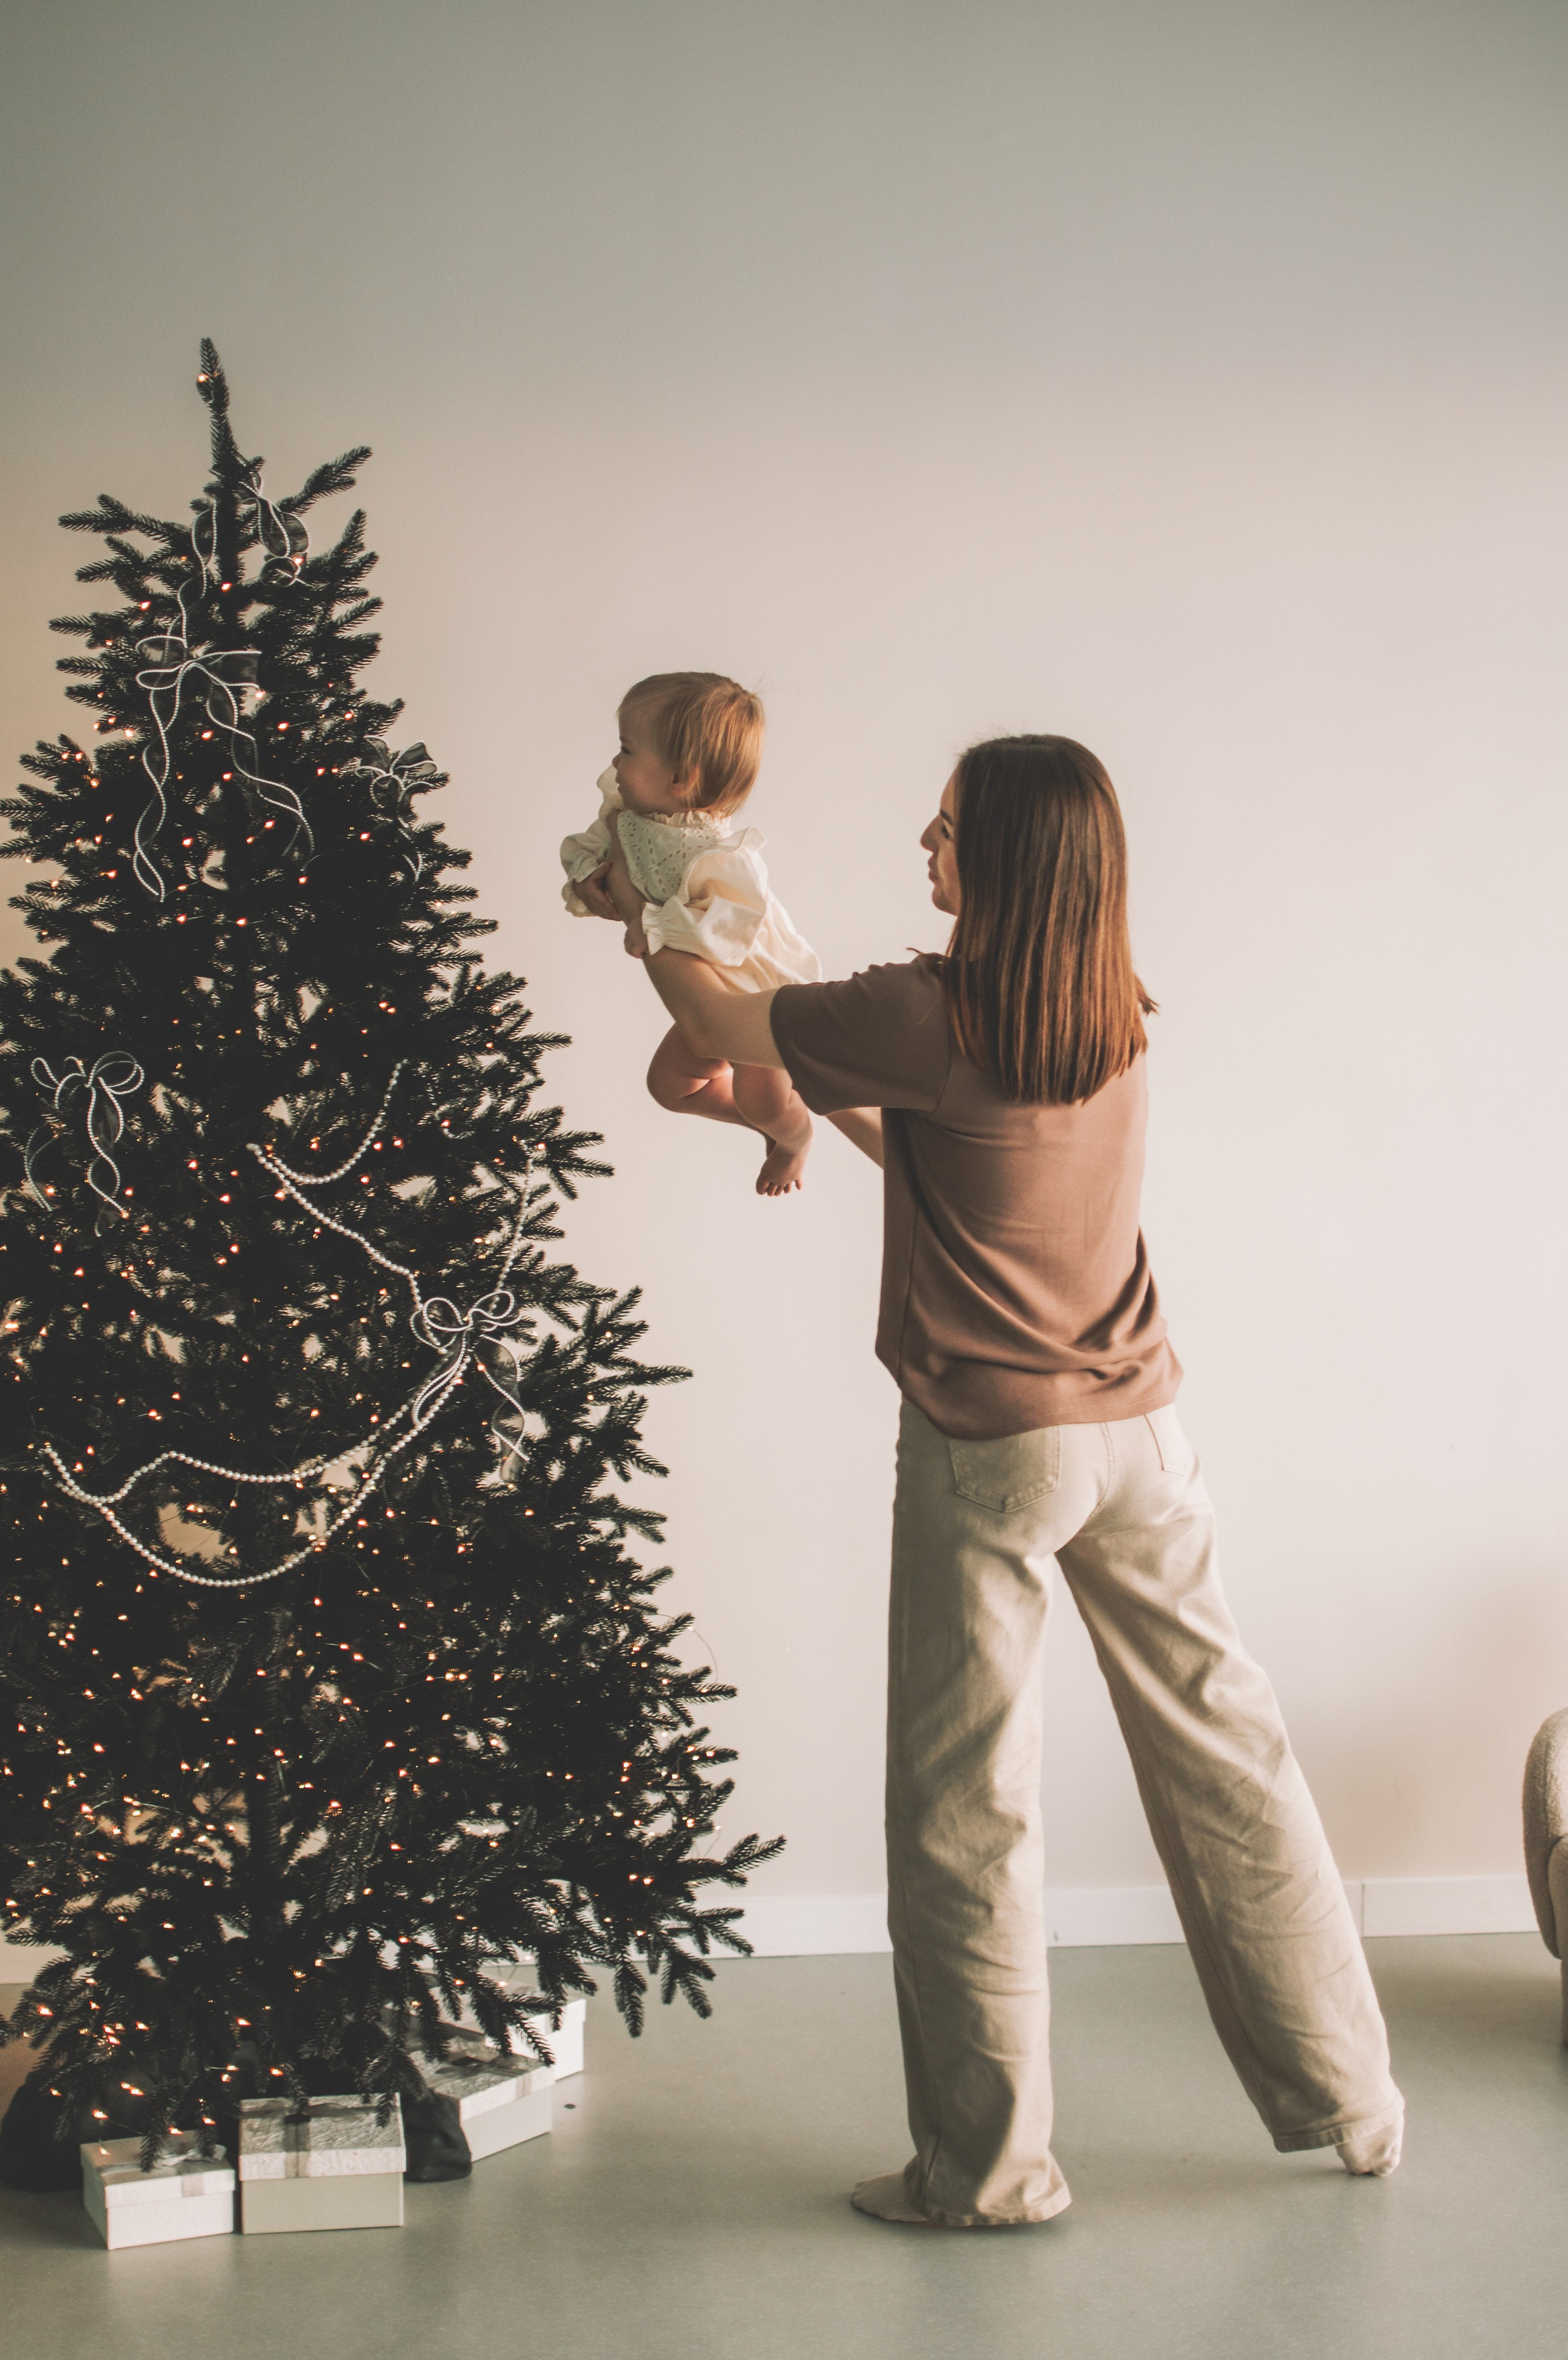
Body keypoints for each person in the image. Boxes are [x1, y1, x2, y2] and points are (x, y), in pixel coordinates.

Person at [578, 731, 1403, 2227]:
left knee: (966, 1811)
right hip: (1143, 1440)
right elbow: (943, 1153)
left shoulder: (926, 1006)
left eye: (947, 825)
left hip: (990, 1454)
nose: (923, 840)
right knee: (1234, 1765)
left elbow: (717, 1009)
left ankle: (989, 2173)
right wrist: (805, 1080)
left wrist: (642, 900)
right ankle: (1354, 2097)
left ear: (1011, 858)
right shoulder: (1110, 1015)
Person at [562, 671, 820, 1194]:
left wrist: (644, 919)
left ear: (681, 779)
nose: (615, 763)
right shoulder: (628, 814)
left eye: (627, 750)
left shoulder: (718, 856)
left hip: (760, 994)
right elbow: (594, 847)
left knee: (764, 1095)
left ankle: (794, 1137)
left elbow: (726, 934)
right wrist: (589, 876)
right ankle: (765, 1126)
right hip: (708, 998)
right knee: (670, 1087)